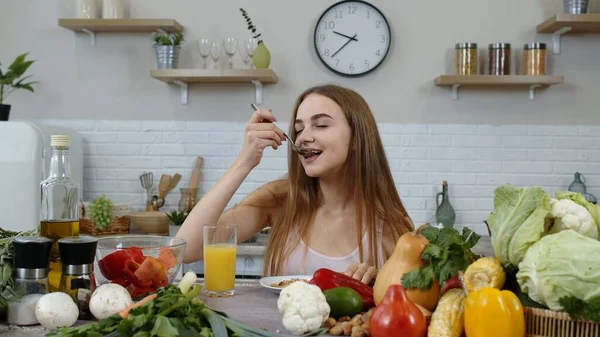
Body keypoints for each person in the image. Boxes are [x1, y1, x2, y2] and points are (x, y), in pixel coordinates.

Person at [176, 84, 414, 284]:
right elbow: (186, 249)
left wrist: (379, 283)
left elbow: (412, 303)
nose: (303, 137)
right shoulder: (280, 200)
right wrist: (244, 162)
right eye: (298, 129)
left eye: (321, 125)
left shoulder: (389, 223)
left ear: (357, 139)